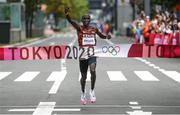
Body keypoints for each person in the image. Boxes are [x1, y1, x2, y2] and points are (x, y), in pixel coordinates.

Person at [64, 7, 111, 105]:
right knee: (84, 76)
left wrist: (107, 36)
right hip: (82, 55)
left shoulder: (94, 29)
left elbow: (101, 35)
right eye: (84, 19)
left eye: (87, 19)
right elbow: (70, 21)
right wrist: (67, 13)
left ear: (90, 20)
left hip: (92, 54)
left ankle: (92, 91)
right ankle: (83, 92)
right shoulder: (79, 28)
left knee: (93, 70)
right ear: (82, 20)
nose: (86, 20)